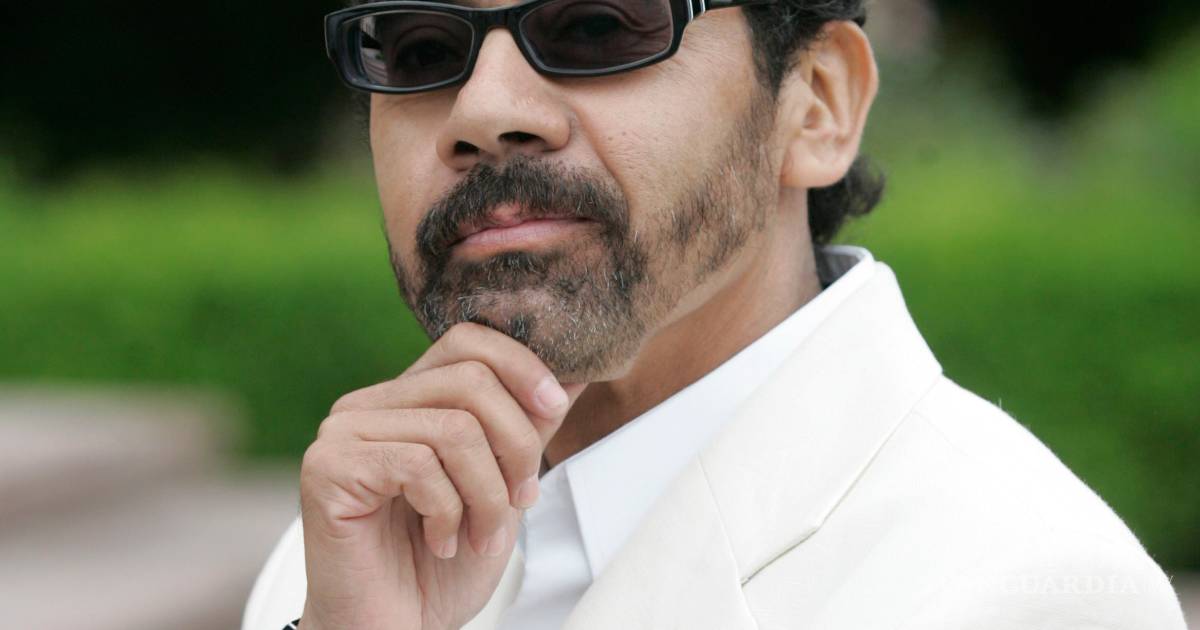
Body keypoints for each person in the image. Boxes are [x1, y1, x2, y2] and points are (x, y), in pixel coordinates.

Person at [242, 0, 1188, 628]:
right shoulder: (351, 549)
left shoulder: (1022, 591)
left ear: (816, 104)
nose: (482, 109)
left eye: (597, 26)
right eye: (421, 49)